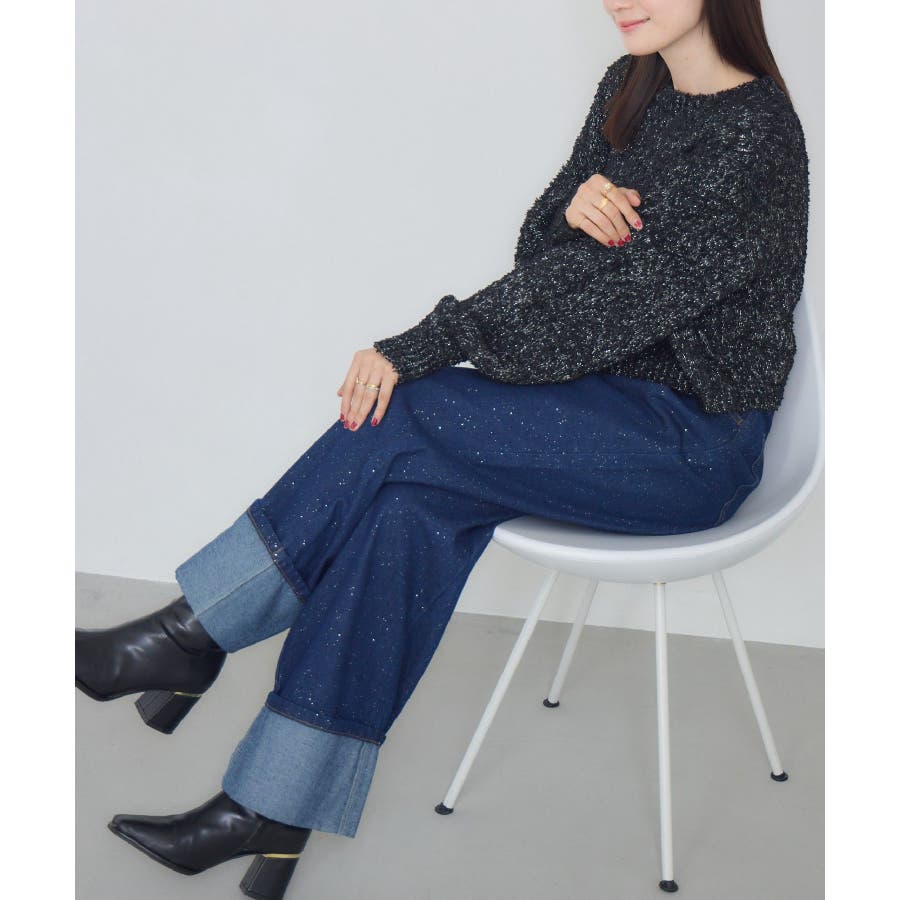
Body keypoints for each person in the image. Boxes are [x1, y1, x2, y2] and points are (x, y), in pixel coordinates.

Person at [75, 1, 810, 897]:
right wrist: (571, 212)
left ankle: (189, 633)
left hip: (689, 445)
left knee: (409, 408)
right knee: (406, 508)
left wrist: (426, 342)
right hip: (598, 412)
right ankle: (269, 807)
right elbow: (543, 252)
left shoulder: (754, 141)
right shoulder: (630, 88)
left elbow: (600, 309)